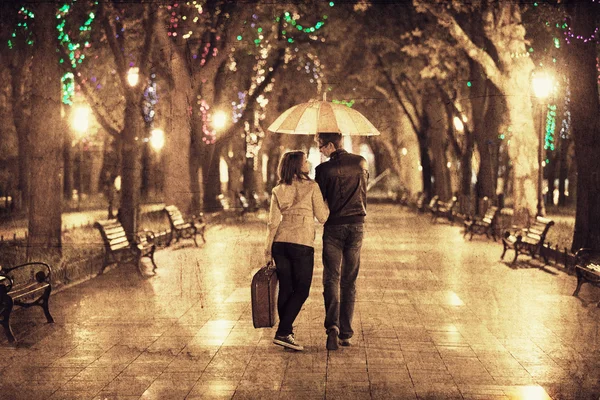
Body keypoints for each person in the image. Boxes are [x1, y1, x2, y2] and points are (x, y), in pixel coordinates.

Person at [265, 151, 329, 351]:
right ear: (297, 166)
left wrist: (267, 250)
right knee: (301, 290)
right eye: (304, 161)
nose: (308, 162)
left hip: (280, 243)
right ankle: (283, 331)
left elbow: (272, 223)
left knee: (286, 288)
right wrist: (326, 203)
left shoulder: (278, 190)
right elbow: (323, 217)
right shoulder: (312, 187)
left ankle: (287, 333)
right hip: (301, 243)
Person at [315, 132, 368, 351]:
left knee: (331, 277)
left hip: (334, 226)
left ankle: (332, 328)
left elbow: (321, 200)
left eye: (321, 146)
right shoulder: (360, 162)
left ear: (329, 145)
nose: (320, 150)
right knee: (349, 279)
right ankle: (346, 332)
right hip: (357, 225)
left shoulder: (322, 170)